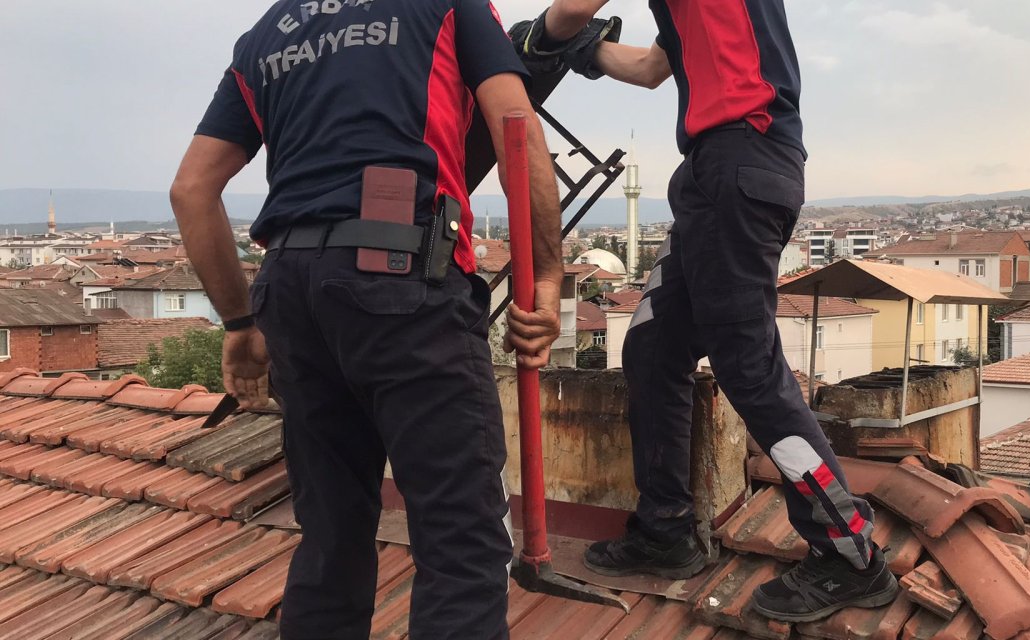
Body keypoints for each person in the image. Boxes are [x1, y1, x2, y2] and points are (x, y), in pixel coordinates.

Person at [170, 2, 564, 638]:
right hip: (402, 282)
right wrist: (544, 274)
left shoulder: (270, 31)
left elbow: (191, 189)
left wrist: (241, 323)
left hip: (292, 291)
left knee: (330, 533)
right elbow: (513, 123)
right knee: (461, 537)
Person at [510, 0, 899, 623]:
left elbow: (574, 8)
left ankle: (848, 552)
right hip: (717, 173)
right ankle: (665, 531)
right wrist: (580, 48)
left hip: (740, 161)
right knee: (653, 346)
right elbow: (651, 66)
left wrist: (543, 34)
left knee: (748, 366)